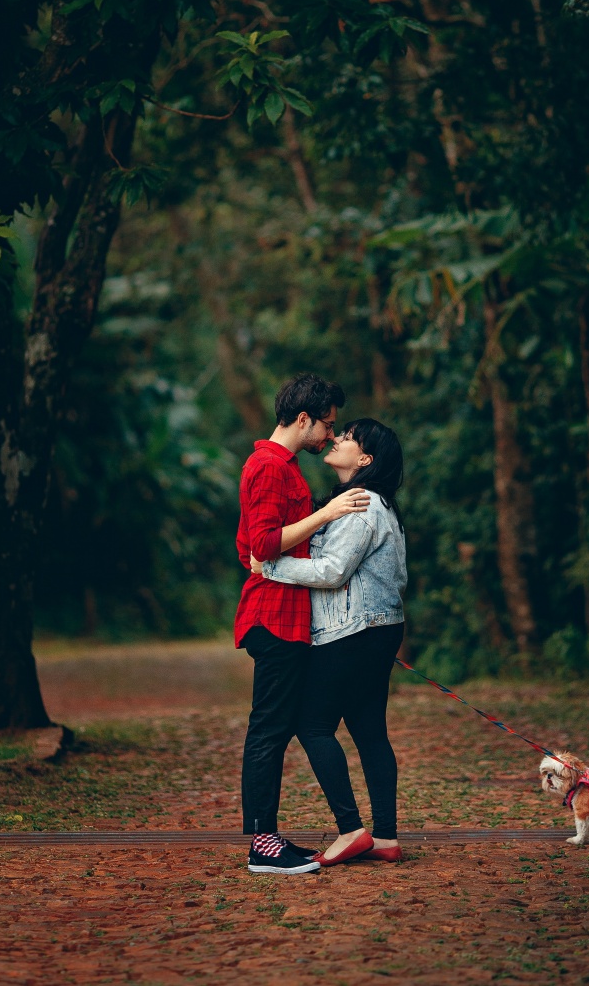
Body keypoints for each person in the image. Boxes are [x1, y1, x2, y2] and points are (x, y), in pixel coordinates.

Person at [251, 418, 406, 866]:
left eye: (347, 435)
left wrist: (269, 567)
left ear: (365, 460)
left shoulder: (361, 504)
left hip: (351, 633)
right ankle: (386, 838)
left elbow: (332, 571)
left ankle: (352, 830)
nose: (336, 438)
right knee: (368, 730)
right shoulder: (372, 505)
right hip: (374, 630)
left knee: (311, 725)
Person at [235, 373, 372, 875]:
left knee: (279, 725)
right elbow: (263, 546)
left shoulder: (279, 466)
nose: (330, 437)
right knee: (269, 729)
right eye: (327, 426)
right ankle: (262, 844)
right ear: (302, 419)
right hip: (273, 616)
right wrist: (328, 512)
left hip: (285, 617)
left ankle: (269, 838)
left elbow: (246, 545)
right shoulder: (270, 467)